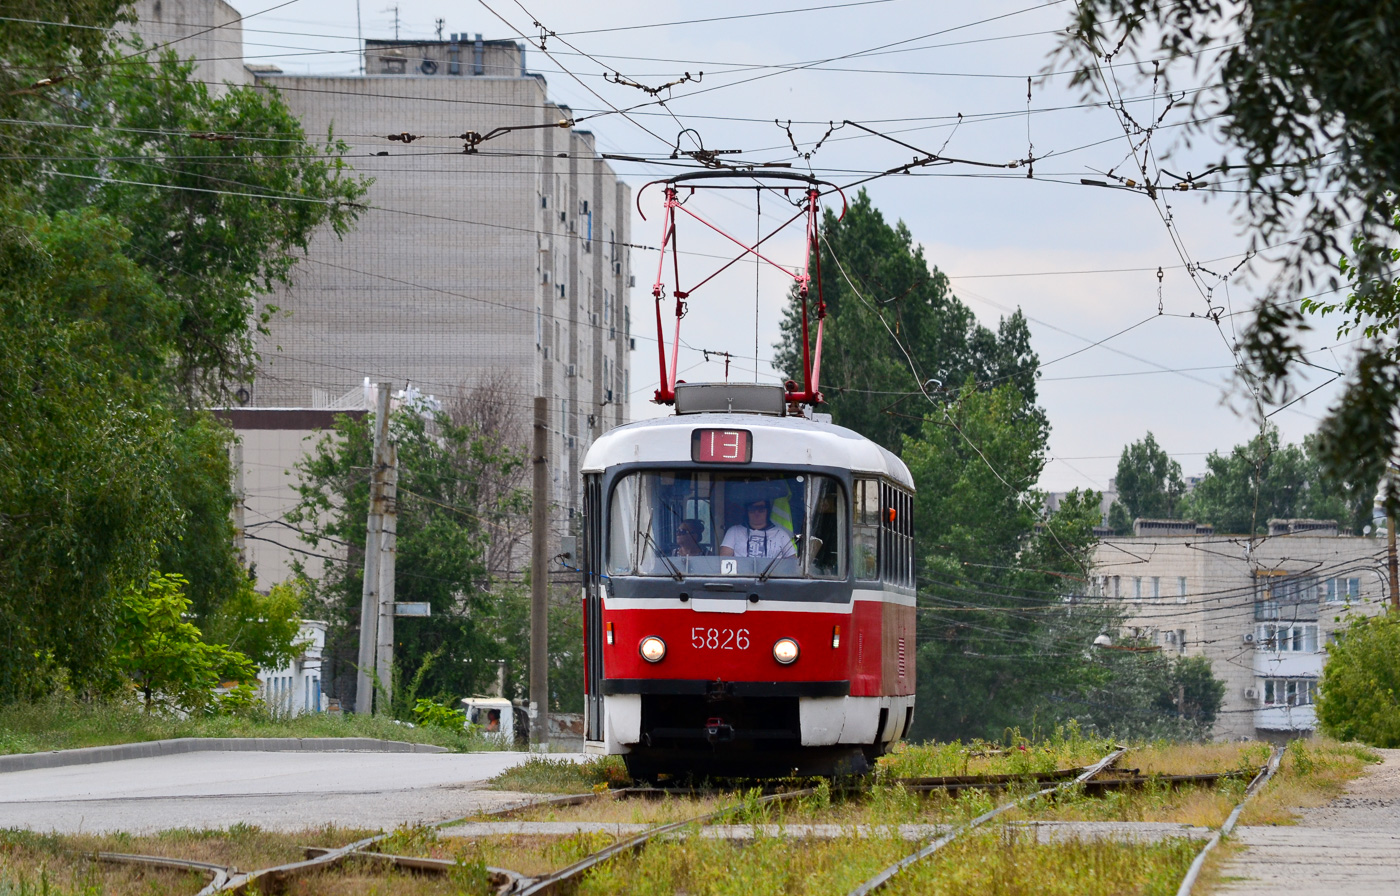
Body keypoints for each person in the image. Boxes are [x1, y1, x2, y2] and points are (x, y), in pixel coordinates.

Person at [719, 498, 796, 559]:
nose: (757, 513)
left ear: (767, 511)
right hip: (741, 577)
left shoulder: (780, 534)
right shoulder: (733, 532)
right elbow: (724, 560)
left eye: (761, 509)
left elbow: (792, 563)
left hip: (772, 577)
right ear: (747, 512)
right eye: (752, 510)